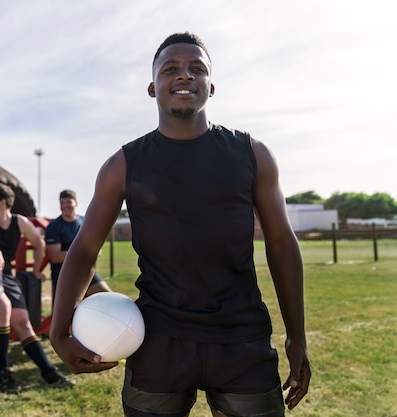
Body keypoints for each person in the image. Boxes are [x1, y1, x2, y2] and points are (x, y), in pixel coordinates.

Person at [50, 32, 311, 417]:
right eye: (171, 68)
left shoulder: (253, 154)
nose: (185, 75)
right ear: (153, 87)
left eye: (197, 69)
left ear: (211, 85)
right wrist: (59, 332)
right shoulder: (123, 165)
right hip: (158, 341)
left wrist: (297, 336)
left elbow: (281, 244)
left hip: (241, 338)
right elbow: (86, 248)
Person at [0, 183, 74, 394]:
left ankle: (48, 371)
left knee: (23, 323)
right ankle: (4, 373)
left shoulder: (20, 221)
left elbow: (39, 243)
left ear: (2, 202)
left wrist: (36, 269)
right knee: (2, 307)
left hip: (6, 277)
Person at [45, 189, 111, 300]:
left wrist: (89, 252)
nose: (65, 205)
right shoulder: (54, 226)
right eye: (62, 202)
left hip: (85, 271)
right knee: (71, 311)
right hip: (64, 274)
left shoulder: (85, 222)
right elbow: (55, 256)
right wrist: (84, 253)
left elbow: (96, 248)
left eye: (69, 202)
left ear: (76, 203)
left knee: (108, 297)